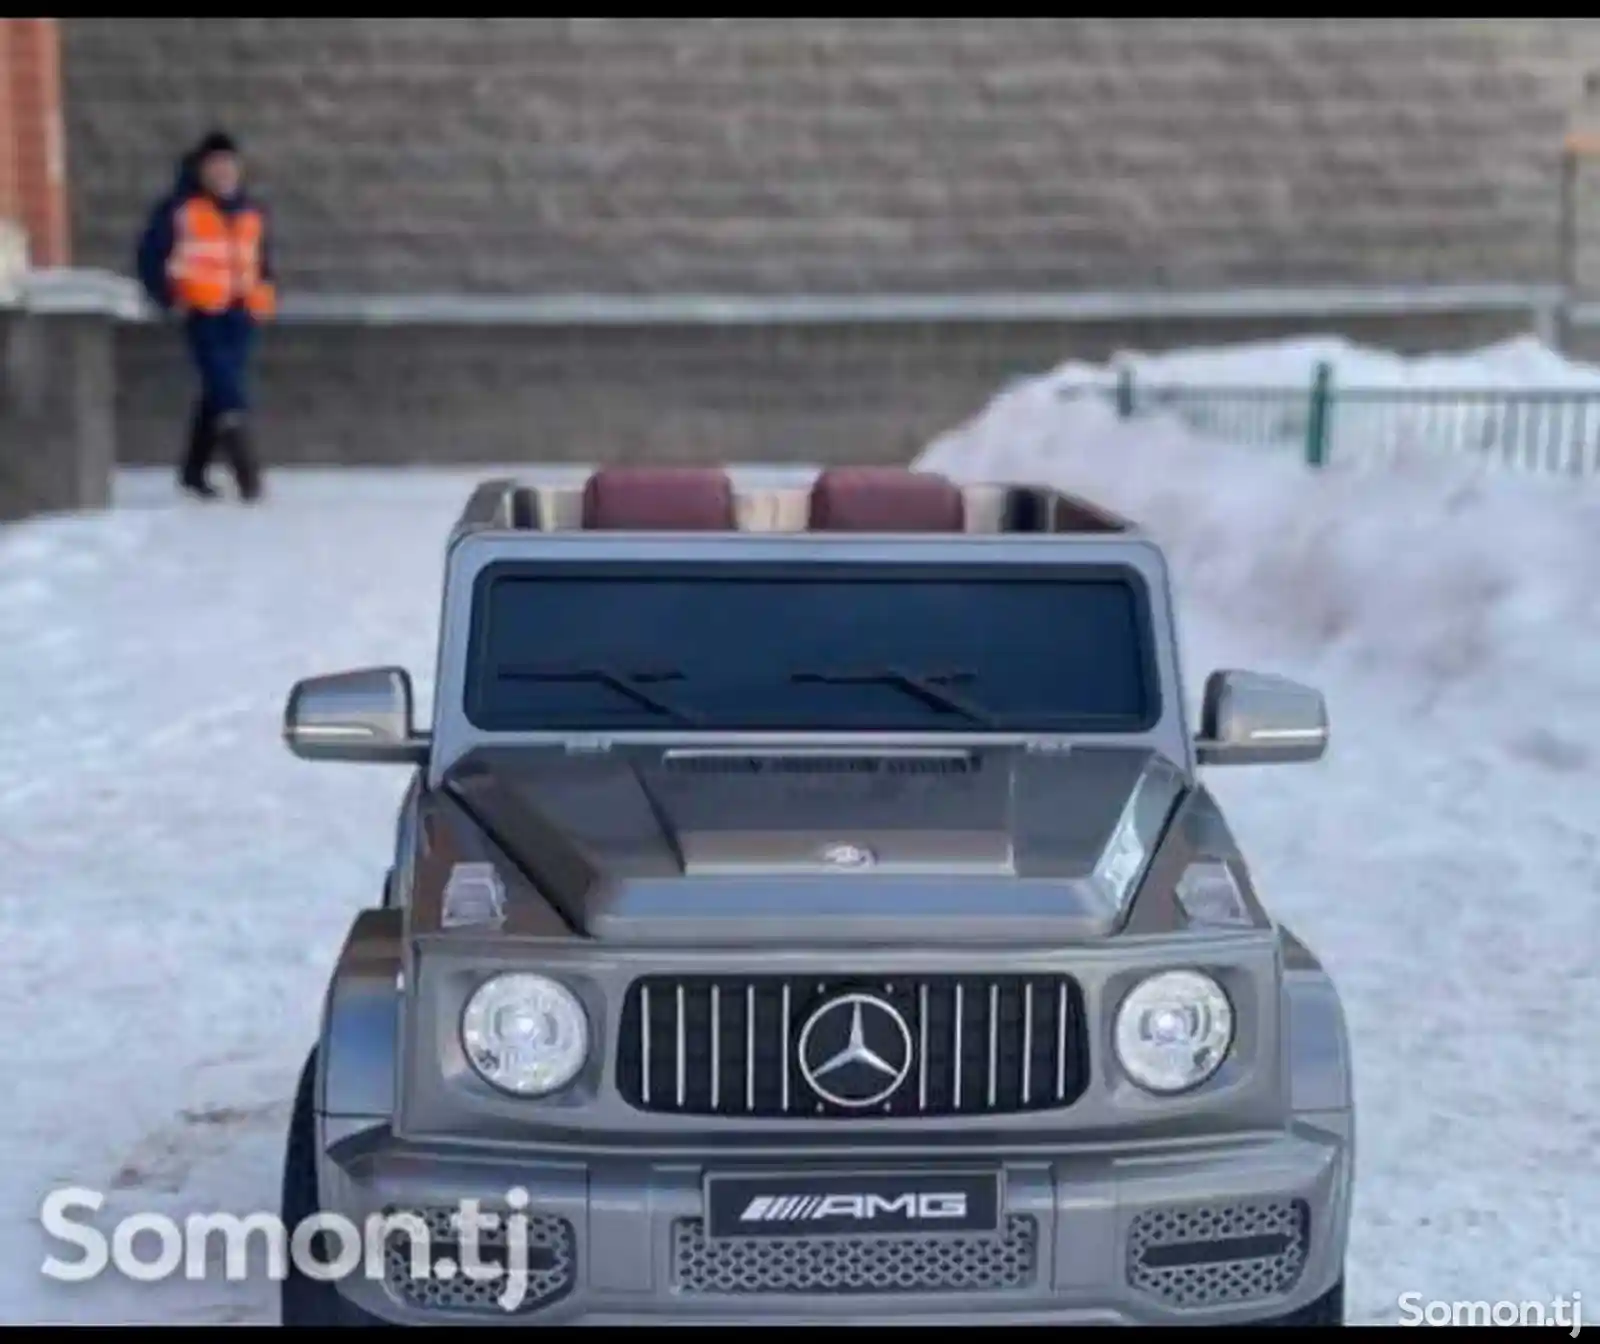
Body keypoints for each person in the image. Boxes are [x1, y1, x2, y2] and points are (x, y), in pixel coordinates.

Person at [136, 130, 276, 501]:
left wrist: (265, 293)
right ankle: (245, 466)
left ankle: (193, 471)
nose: (223, 173)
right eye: (215, 166)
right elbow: (151, 256)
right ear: (201, 170)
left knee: (216, 391)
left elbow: (261, 259)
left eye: (229, 166)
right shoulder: (181, 210)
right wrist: (166, 297)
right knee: (225, 385)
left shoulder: (250, 212)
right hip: (202, 310)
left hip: (242, 311)